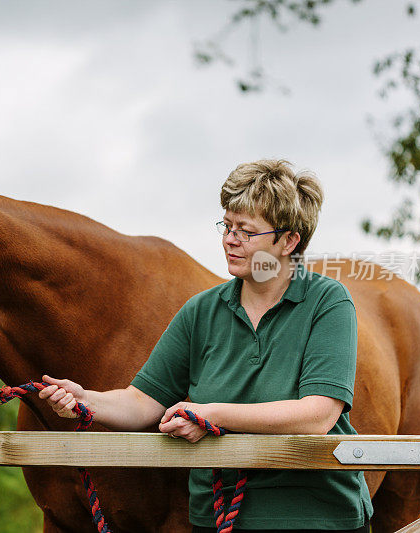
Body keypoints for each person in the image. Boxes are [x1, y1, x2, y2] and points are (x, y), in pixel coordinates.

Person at [39, 160, 373, 532]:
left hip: (316, 518)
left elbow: (316, 416)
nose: (230, 239)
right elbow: (141, 402)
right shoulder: (200, 311)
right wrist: (87, 400)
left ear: (289, 241)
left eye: (247, 231)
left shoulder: (328, 302)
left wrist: (211, 413)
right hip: (214, 519)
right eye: (227, 226)